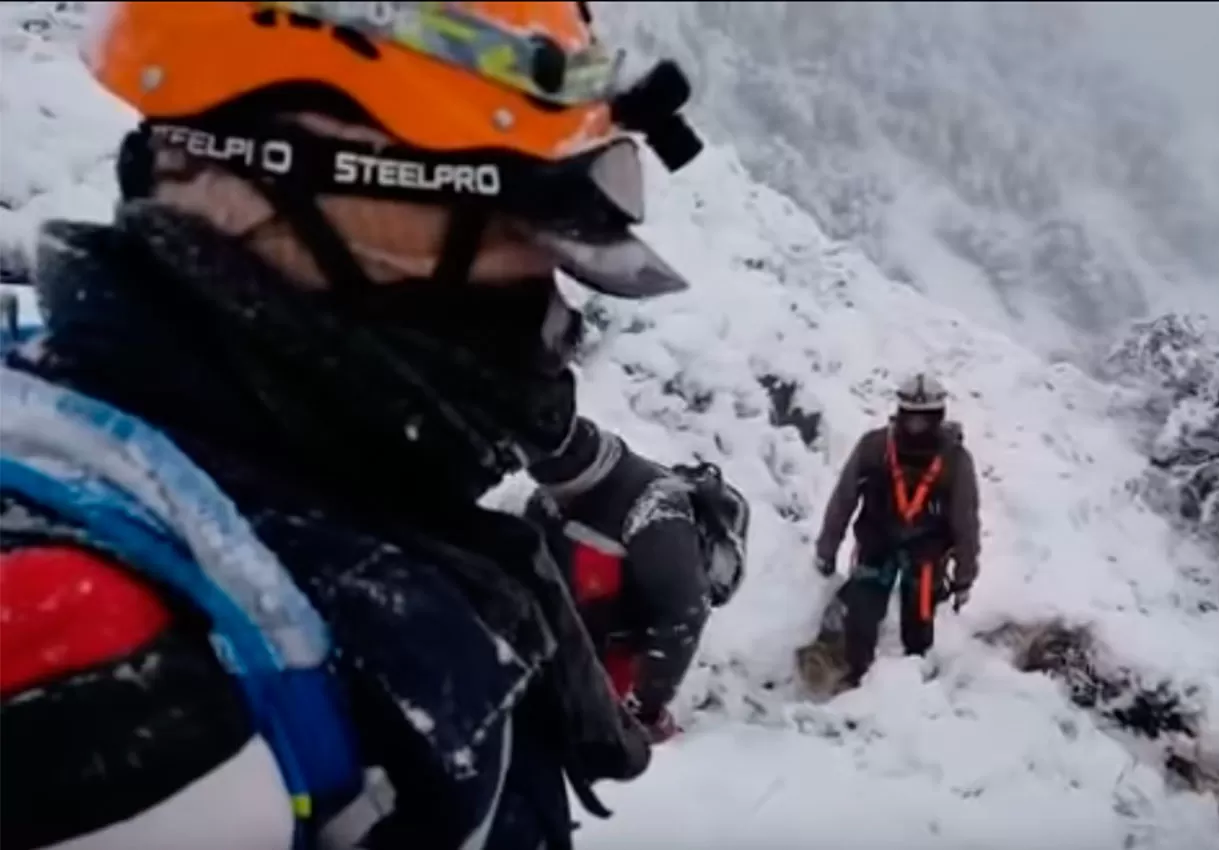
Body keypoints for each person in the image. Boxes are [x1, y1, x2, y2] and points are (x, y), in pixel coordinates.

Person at [0, 3, 710, 849]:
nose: (552, 323)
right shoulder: (89, 682)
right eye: (508, 242)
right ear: (288, 192)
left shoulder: (311, 483)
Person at [521, 420, 751, 744]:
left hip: (612, 630)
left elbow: (680, 617)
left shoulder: (653, 517)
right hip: (579, 610)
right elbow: (683, 617)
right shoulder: (559, 497)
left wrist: (642, 708)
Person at [812, 371, 982, 689]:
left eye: (925, 417)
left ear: (938, 416)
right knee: (861, 615)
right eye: (911, 416)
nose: (917, 424)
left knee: (919, 624)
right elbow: (843, 500)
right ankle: (856, 679)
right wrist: (827, 549)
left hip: (928, 557)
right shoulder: (874, 447)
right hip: (876, 545)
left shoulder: (955, 461)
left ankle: (912, 687)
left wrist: (964, 576)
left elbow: (966, 520)